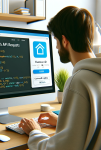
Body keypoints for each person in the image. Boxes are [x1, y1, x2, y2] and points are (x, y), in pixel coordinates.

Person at [19, 6, 101, 150]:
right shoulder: (96, 75)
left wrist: (35, 132)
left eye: (56, 40)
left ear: (64, 40)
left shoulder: (79, 81)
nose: (56, 47)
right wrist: (65, 122)